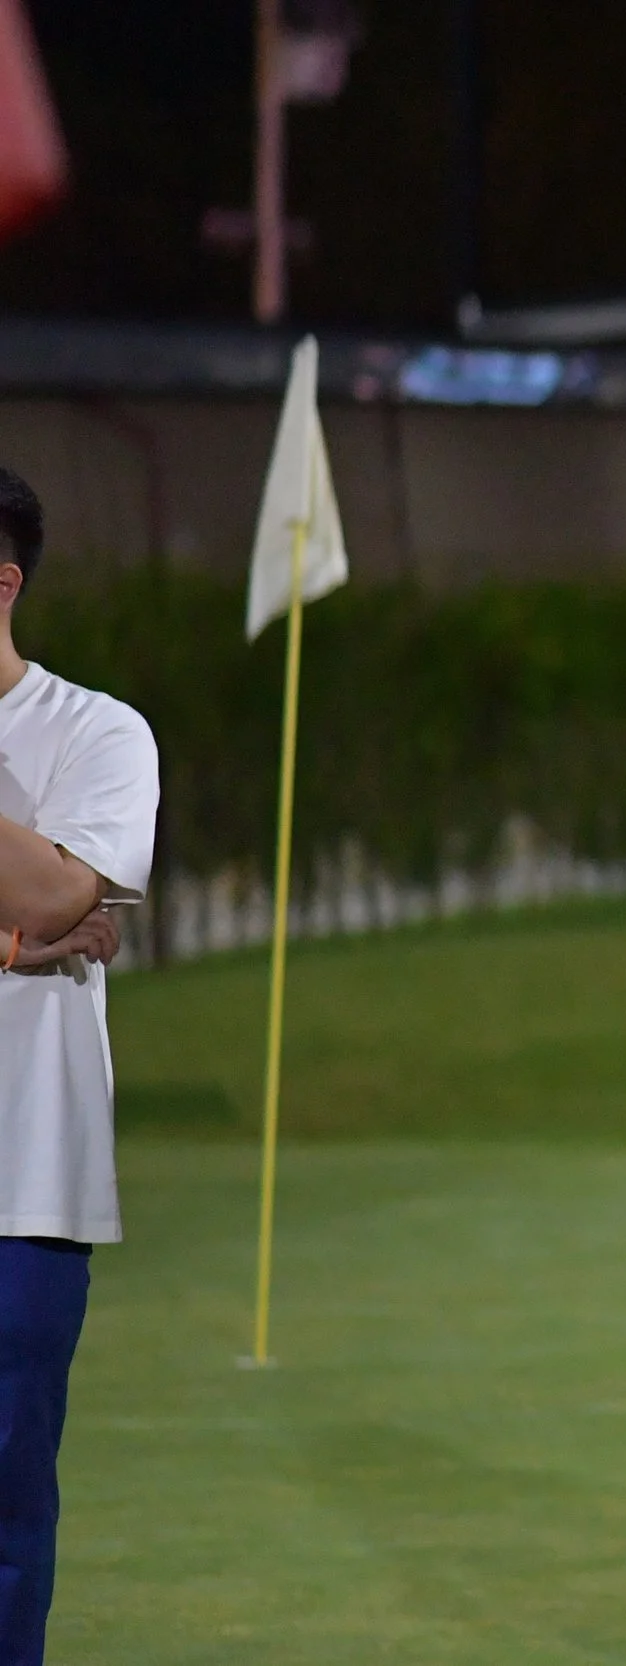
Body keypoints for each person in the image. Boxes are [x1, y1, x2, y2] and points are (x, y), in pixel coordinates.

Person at [0, 464, 160, 1666]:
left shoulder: (97, 732)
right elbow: (36, 914)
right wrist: (14, 943)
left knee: (7, 1506)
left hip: (27, 1187)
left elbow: (62, 893)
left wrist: (38, 917)